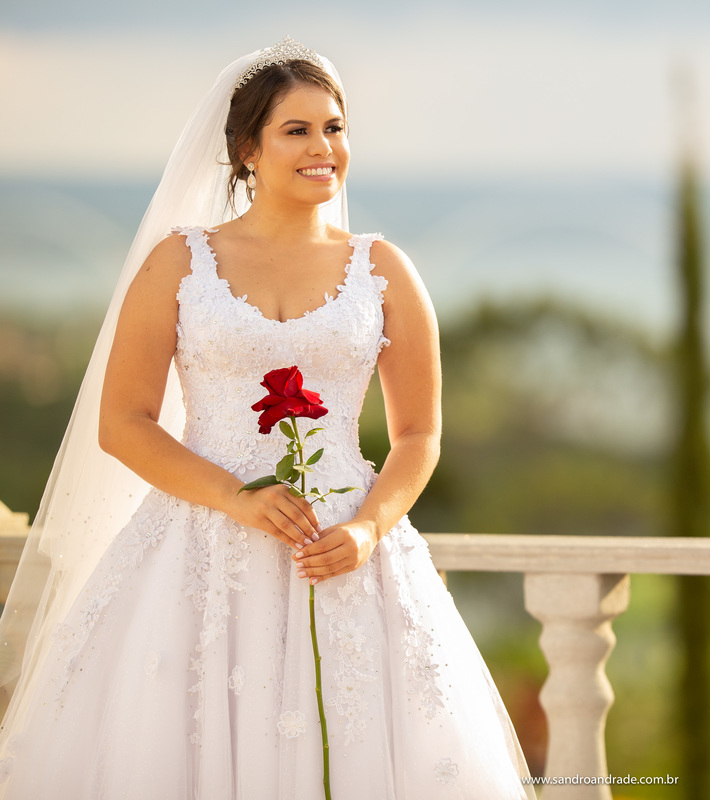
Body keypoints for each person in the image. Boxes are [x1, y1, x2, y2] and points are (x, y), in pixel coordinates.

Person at [0, 38, 536, 798]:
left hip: (344, 553)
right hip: (194, 554)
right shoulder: (178, 264)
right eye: (298, 130)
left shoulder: (383, 269)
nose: (325, 148)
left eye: (336, 128)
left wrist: (365, 529)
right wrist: (236, 496)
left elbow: (419, 435)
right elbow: (123, 421)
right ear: (246, 149)